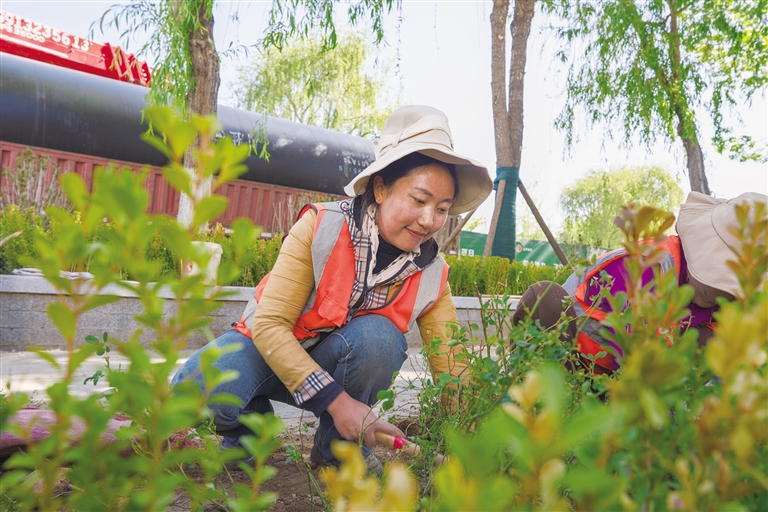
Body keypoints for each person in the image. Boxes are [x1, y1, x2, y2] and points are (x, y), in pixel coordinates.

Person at [171, 105, 493, 469]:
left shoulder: (433, 274)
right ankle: (251, 432)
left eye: (442, 209)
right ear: (381, 189)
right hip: (267, 353)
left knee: (380, 339)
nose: (428, 220)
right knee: (195, 390)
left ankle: (336, 452)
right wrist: (338, 403)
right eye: (419, 200)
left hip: (335, 364)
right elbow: (269, 325)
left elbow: (453, 370)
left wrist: (478, 440)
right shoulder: (321, 226)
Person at [511, 191, 768, 374]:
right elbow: (630, 359)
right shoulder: (647, 268)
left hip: (627, 375)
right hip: (576, 360)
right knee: (543, 298)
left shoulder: (723, 305)